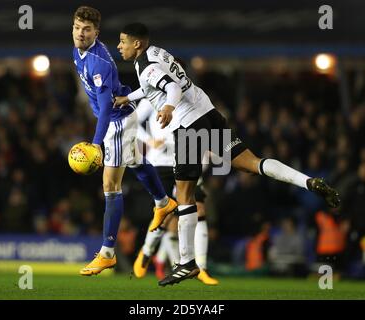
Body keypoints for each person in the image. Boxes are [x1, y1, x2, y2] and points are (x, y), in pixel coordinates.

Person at [115, 22, 341, 286]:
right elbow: (155, 85)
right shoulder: (157, 53)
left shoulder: (146, 65)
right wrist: (129, 97)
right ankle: (308, 182)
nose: (119, 46)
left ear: (137, 44)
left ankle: (186, 263)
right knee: (251, 163)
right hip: (208, 114)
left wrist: (167, 107)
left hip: (188, 124)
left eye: (123, 41)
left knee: (185, 196)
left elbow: (171, 89)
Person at [71, 7, 177, 276]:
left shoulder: (99, 64)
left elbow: (106, 108)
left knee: (110, 184)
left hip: (116, 122)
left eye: (86, 30)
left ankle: (107, 252)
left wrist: (96, 144)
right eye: (76, 28)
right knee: (135, 160)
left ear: (96, 32)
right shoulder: (77, 51)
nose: (80, 34)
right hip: (117, 119)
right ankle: (164, 202)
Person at [133, 98, 218, 285]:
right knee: (165, 212)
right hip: (161, 163)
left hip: (186, 157)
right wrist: (149, 140)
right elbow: (132, 121)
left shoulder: (188, 95)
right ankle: (147, 251)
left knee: (199, 208)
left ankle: (201, 267)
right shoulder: (151, 96)